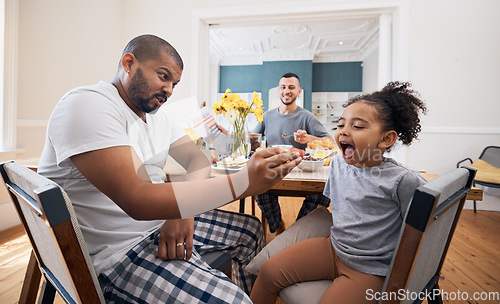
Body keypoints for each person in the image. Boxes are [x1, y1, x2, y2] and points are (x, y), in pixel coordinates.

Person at [37, 34, 302, 303]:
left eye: (174, 83)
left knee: (250, 233)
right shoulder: (89, 104)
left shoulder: (159, 117)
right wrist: (243, 182)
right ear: (128, 63)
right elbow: (137, 200)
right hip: (118, 253)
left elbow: (197, 161)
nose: (170, 89)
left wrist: (180, 213)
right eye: (163, 76)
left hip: (154, 223)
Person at [250, 81, 428, 304]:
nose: (344, 131)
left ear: (386, 139)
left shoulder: (403, 180)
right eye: (341, 124)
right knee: (268, 271)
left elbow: (422, 232)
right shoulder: (337, 164)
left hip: (370, 269)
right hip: (334, 248)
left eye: (358, 126)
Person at [253, 72, 333, 233]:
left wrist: (309, 138)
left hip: (300, 171)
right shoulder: (266, 116)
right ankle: (277, 225)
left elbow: (331, 141)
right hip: (274, 169)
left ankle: (297, 230)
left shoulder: (307, 116)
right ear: (278, 90)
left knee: (322, 196)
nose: (286, 91)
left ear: (299, 91)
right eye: (283, 87)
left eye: (291, 87)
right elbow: (252, 139)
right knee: (259, 191)